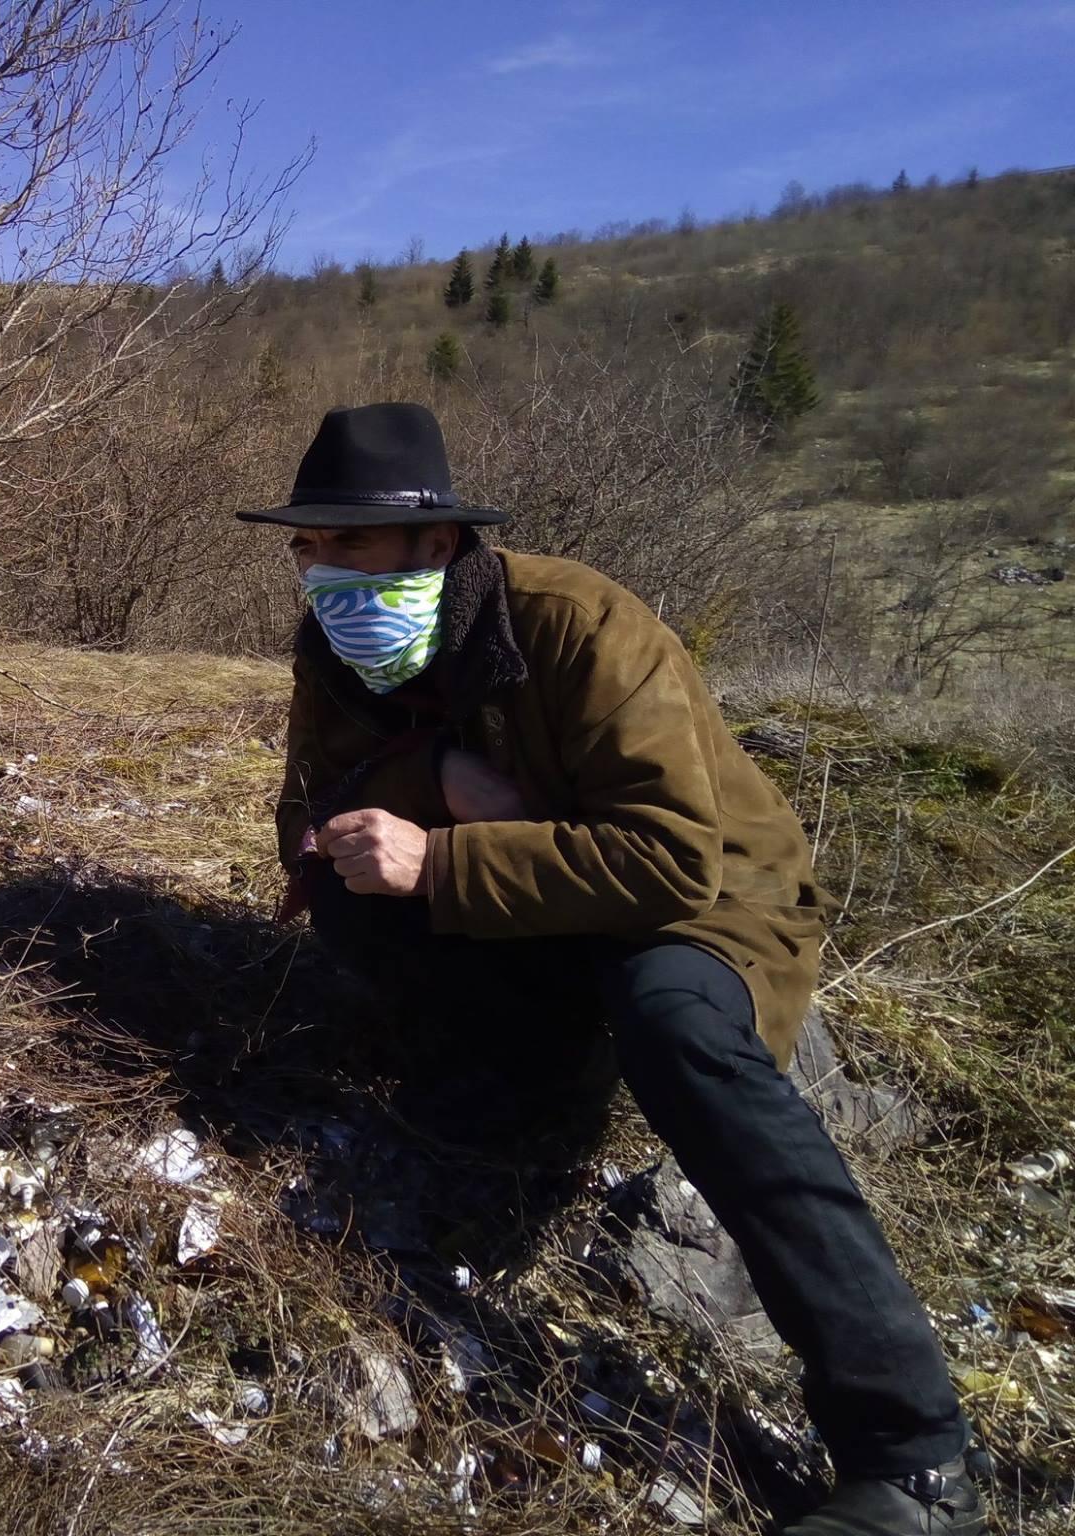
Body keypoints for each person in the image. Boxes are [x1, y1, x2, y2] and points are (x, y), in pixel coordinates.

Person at [244, 402, 981, 1536]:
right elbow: (306, 811)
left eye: (345, 541)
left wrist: (441, 859)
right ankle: (535, 1090)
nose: (319, 568)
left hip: (709, 903)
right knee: (352, 898)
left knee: (672, 1020)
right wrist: (431, 775)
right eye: (305, 544)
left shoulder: (578, 623)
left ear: (436, 544)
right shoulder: (335, 652)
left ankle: (911, 1458)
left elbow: (669, 863)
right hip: (545, 905)